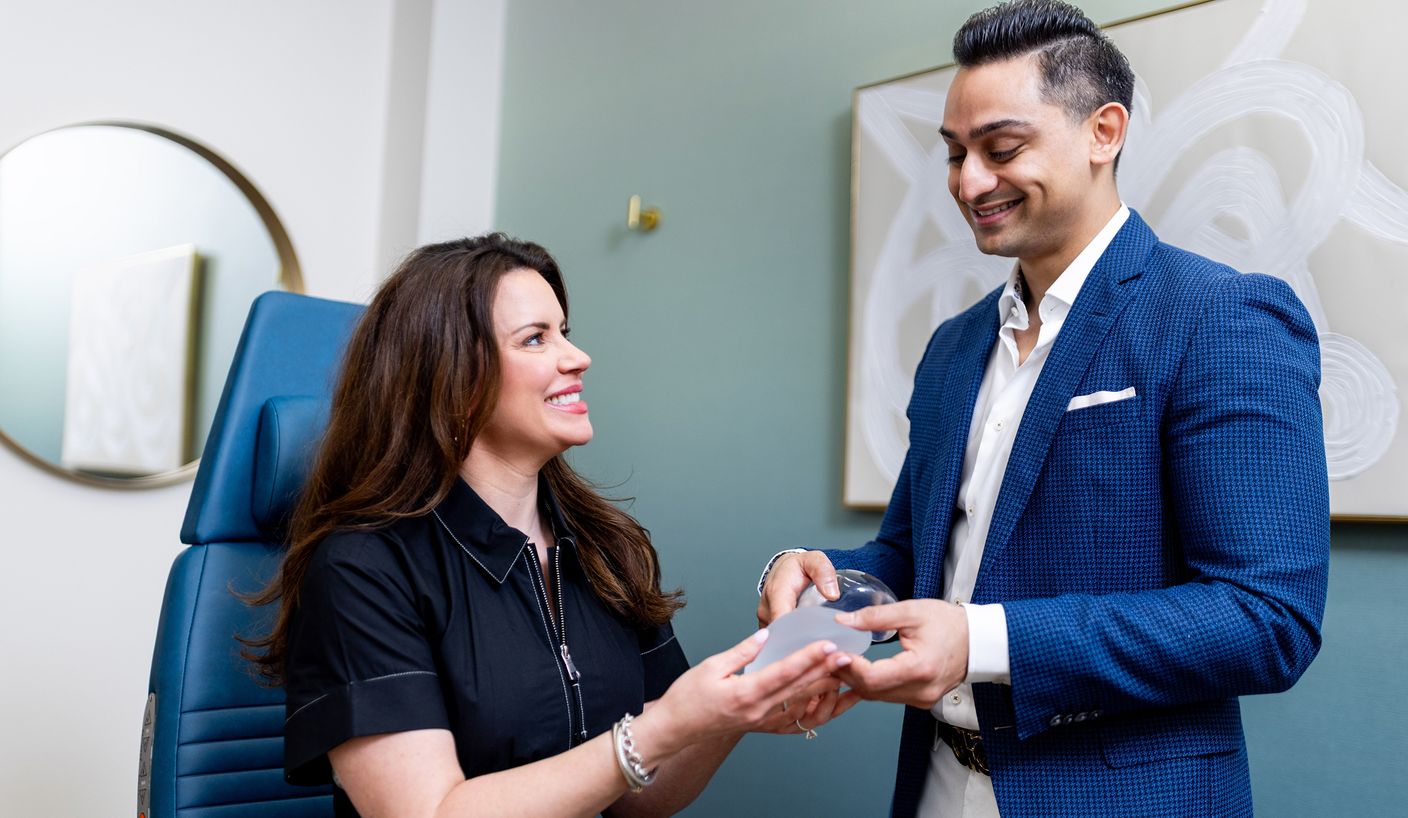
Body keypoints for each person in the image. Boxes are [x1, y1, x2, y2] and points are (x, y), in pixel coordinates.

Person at [759, 2, 1330, 816]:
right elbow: (911, 551)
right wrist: (822, 579)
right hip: (934, 783)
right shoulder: (955, 347)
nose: (967, 182)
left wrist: (983, 642)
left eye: (1001, 148)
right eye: (955, 154)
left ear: (1104, 132)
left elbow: (1267, 619)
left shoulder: (1220, 318)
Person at [245, 234, 857, 818]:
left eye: (564, 332)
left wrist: (737, 704)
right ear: (453, 377)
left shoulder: (606, 548)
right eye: (536, 339)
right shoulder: (362, 569)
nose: (578, 357)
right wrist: (662, 728)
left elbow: (639, 800)